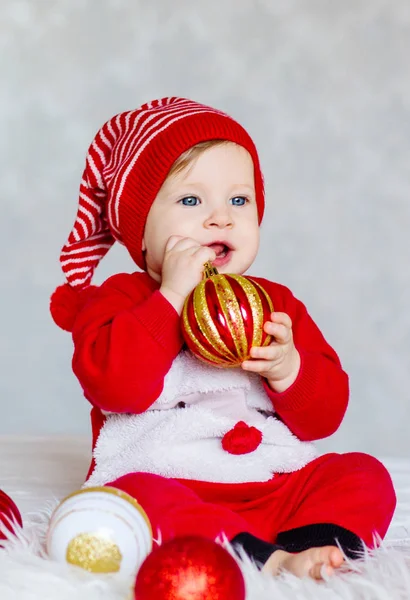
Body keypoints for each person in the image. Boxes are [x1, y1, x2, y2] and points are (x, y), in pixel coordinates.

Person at [50, 97, 396, 580]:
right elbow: (117, 387)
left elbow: (325, 417)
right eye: (191, 201)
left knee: (362, 473)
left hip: (270, 482)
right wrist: (171, 296)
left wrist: (288, 369)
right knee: (129, 504)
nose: (221, 218)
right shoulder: (120, 299)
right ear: (141, 232)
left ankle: (315, 544)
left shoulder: (273, 304)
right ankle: (261, 558)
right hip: (171, 480)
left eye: (239, 200)